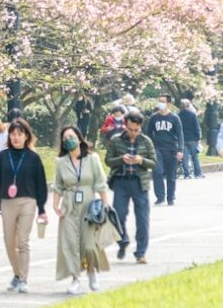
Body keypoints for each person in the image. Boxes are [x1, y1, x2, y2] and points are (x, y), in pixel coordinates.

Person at [0, 120, 48, 294]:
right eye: (13, 134)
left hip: (28, 202)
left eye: (20, 134)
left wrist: (42, 209)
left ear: (26, 136)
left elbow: (41, 185)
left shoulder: (33, 158)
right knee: (9, 242)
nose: (16, 137)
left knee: (23, 241)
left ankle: (24, 279)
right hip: (7, 203)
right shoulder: (3, 156)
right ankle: (17, 274)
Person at [52, 126, 111, 295]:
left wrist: (105, 205)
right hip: (69, 206)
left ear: (79, 138)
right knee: (70, 244)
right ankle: (75, 278)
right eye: (65, 138)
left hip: (88, 205)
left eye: (71, 136)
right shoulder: (61, 162)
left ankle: (92, 271)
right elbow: (58, 186)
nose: (68, 140)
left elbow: (100, 183)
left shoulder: (92, 159)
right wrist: (55, 205)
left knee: (89, 244)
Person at [105, 111, 156, 264]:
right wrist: (122, 159)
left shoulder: (146, 141)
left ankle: (140, 253)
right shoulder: (116, 141)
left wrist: (141, 160)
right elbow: (108, 160)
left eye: (136, 129)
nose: (133, 132)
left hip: (140, 183)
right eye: (130, 129)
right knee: (117, 217)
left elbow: (153, 162)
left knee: (142, 219)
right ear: (125, 126)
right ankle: (123, 241)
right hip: (121, 182)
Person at [144, 94, 183, 205]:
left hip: (172, 149)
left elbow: (180, 135)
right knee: (158, 172)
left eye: (163, 101)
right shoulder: (154, 117)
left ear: (168, 103)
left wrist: (180, 150)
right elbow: (148, 133)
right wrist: (149, 147)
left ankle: (170, 197)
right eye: (159, 101)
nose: (160, 103)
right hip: (157, 149)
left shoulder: (175, 118)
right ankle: (160, 197)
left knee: (171, 175)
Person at [179, 99, 204, 179]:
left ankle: (187, 174)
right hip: (192, 138)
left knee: (185, 157)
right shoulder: (192, 115)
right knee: (194, 157)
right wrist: (198, 137)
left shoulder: (178, 115)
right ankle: (198, 173)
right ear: (188, 105)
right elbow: (196, 127)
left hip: (183, 139)